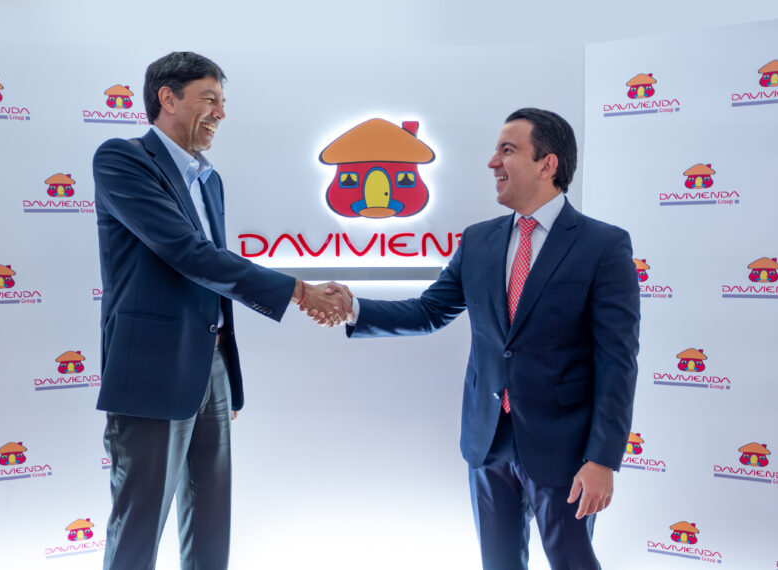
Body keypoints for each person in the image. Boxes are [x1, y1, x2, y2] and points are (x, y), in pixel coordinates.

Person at [339, 108, 640, 569]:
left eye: (507, 150)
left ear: (548, 164)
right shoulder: (478, 241)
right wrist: (353, 308)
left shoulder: (603, 246)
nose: (492, 162)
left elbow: (618, 362)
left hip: (565, 449)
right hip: (488, 441)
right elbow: (429, 311)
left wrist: (603, 459)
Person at [93, 51, 350, 570]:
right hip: (152, 370)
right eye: (209, 99)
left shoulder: (209, 179)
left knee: (211, 521)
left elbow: (214, 274)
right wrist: (299, 291)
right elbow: (189, 254)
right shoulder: (122, 159)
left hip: (209, 369)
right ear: (168, 98)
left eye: (222, 101)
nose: (221, 113)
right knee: (139, 525)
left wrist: (225, 374)